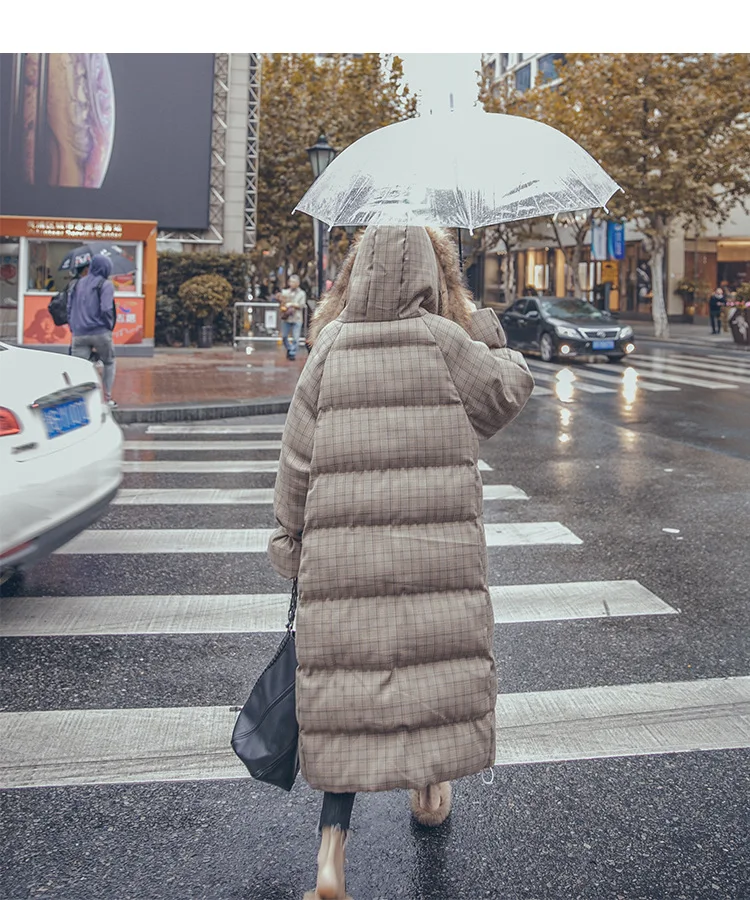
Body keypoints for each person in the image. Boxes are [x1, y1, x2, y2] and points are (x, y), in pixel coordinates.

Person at [267, 226, 535, 899]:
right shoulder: (445, 343)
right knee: (429, 677)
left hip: (341, 565)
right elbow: (509, 394)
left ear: (356, 275)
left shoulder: (329, 347)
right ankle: (429, 792)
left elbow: (295, 461)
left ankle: (331, 859)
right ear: (431, 274)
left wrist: (289, 542)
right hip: (433, 558)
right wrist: (482, 328)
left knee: (346, 699)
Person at [67, 253, 118, 407]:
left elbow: (69, 308)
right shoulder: (106, 284)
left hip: (79, 334)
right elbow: (106, 308)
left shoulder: (76, 284)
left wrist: (73, 327)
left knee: (79, 367)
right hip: (100, 332)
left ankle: (79, 401)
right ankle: (107, 399)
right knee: (109, 362)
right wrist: (108, 326)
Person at [279, 274, 306, 360]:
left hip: (297, 318)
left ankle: (292, 353)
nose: (292, 283)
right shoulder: (285, 292)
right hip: (287, 318)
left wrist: (292, 304)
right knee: (284, 336)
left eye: (294, 282)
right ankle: (290, 348)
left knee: (296, 338)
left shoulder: (302, 293)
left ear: (298, 283)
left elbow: (301, 305)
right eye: (291, 281)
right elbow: (282, 304)